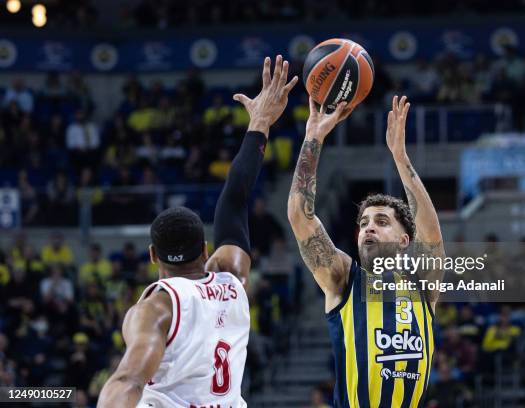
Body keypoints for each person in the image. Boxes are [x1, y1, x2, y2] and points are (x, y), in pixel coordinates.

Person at [98, 55, 298, 408]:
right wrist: (260, 123)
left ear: (152, 255)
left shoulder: (157, 306)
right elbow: (235, 197)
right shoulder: (232, 279)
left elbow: (128, 380)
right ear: (206, 250)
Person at [288, 96, 444, 407]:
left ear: (404, 240)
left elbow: (431, 234)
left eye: (381, 221)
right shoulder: (344, 278)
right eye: (363, 222)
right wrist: (314, 138)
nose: (368, 228)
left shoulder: (422, 284)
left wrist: (400, 158)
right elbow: (298, 215)